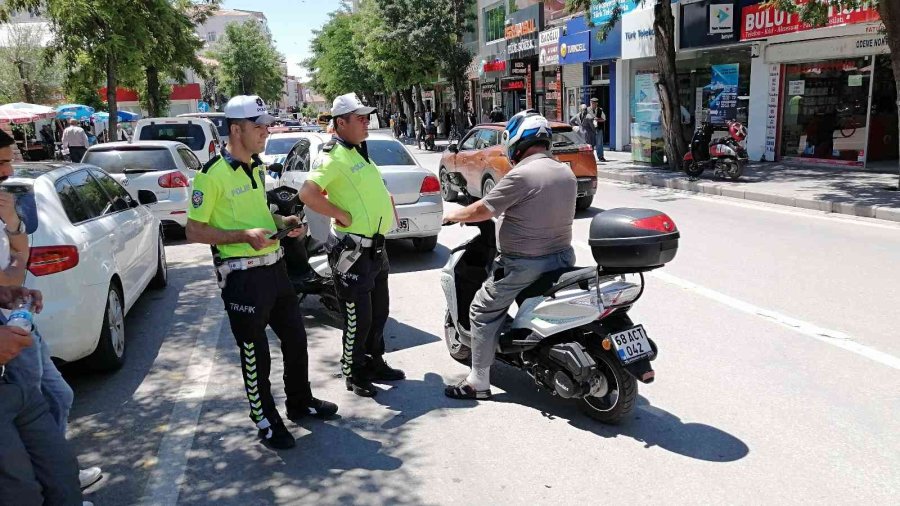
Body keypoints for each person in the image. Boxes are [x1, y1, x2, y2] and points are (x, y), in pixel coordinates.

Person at [186, 95, 337, 451]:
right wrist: (242, 237)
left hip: (274, 268)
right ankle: (265, 419)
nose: (266, 131)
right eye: (260, 126)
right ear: (236, 130)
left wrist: (282, 222)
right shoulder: (211, 176)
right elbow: (194, 231)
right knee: (256, 354)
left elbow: (260, 215)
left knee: (296, 340)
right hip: (242, 278)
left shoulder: (256, 166)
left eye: (266, 125)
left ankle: (300, 402)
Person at [441, 110, 576, 400]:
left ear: (517, 141)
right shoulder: (564, 170)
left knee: (480, 310)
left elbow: (483, 209)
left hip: (523, 264)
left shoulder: (523, 173)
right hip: (562, 258)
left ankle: (478, 382)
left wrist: (454, 215)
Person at [0, 128, 103, 493]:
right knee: (30, 410)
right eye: (1, 163)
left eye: (9, 161)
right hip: (8, 333)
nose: (7, 172)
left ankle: (57, 475)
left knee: (57, 397)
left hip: (16, 318)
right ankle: (52, 480)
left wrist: (11, 289)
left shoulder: (5, 206)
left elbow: (15, 266)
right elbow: (13, 266)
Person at [299, 93, 405, 398]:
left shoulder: (358, 151)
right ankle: (354, 371)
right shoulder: (332, 155)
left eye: (366, 117)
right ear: (340, 122)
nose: (366, 122)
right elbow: (308, 193)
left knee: (380, 311)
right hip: (353, 252)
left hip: (376, 247)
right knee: (359, 317)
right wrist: (340, 214)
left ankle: (374, 361)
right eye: (359, 118)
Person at [589, 98, 608, 162]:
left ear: (597, 103)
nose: (593, 104)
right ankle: (589, 157)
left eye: (594, 103)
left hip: (598, 129)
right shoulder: (587, 110)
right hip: (590, 130)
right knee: (590, 144)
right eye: (592, 103)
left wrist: (597, 120)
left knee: (599, 144)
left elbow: (604, 119)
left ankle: (601, 157)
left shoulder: (600, 110)